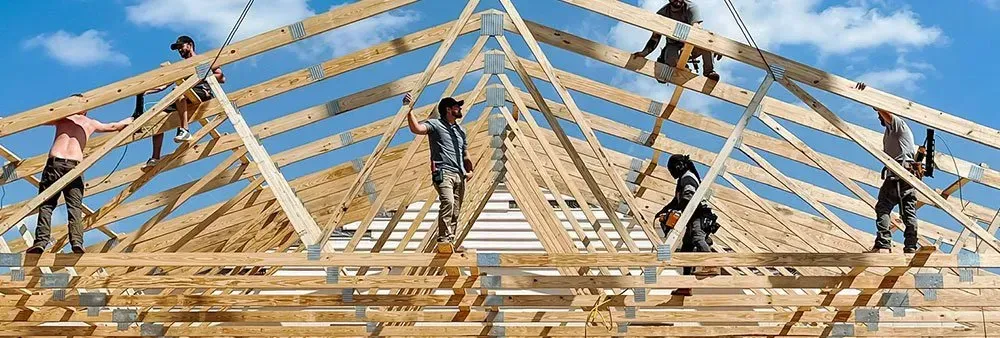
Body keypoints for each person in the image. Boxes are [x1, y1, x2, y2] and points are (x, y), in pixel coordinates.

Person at [27, 94, 131, 254]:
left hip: (55, 163)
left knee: (47, 205)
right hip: (74, 167)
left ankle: (41, 242)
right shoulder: (90, 123)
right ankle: (77, 242)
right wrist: (130, 120)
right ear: (86, 109)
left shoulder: (62, 119)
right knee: (74, 207)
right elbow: (113, 126)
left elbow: (40, 119)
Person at [134, 35, 225, 168]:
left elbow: (221, 77)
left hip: (202, 92)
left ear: (190, 45)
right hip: (182, 96)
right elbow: (163, 86)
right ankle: (155, 157)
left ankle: (185, 130)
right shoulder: (182, 67)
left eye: (181, 47)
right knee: (158, 117)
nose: (180, 50)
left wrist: (199, 78)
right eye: (178, 49)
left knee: (178, 92)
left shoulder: (201, 60)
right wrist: (145, 91)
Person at [405, 93, 473, 252]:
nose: (460, 109)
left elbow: (465, 153)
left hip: (459, 174)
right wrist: (409, 110)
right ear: (448, 109)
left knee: (456, 210)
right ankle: (443, 238)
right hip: (443, 171)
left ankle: (450, 241)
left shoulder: (460, 131)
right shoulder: (435, 125)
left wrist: (470, 171)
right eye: (457, 106)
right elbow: (417, 129)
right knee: (448, 201)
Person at [655, 154, 720, 295]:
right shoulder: (683, 179)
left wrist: (675, 212)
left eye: (671, 168)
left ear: (679, 166)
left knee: (697, 238)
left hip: (700, 215)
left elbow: (688, 197)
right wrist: (663, 211)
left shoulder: (688, 178)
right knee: (686, 250)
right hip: (692, 218)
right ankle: (685, 286)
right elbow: (676, 201)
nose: (671, 172)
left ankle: (711, 265)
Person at [632, 0, 721, 82]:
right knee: (670, 59)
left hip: (691, 43)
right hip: (673, 45)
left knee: (705, 44)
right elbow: (655, 37)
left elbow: (697, 28)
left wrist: (714, 45)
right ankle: (675, 67)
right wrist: (644, 53)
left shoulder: (690, 7)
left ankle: (709, 72)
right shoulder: (663, 14)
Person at [870, 107, 919, 253]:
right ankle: (911, 246)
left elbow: (886, 113)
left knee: (883, 207)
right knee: (908, 211)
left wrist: (875, 103)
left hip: (898, 173)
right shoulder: (890, 133)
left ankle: (883, 244)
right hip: (907, 176)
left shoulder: (899, 125)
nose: (879, 118)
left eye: (880, 115)